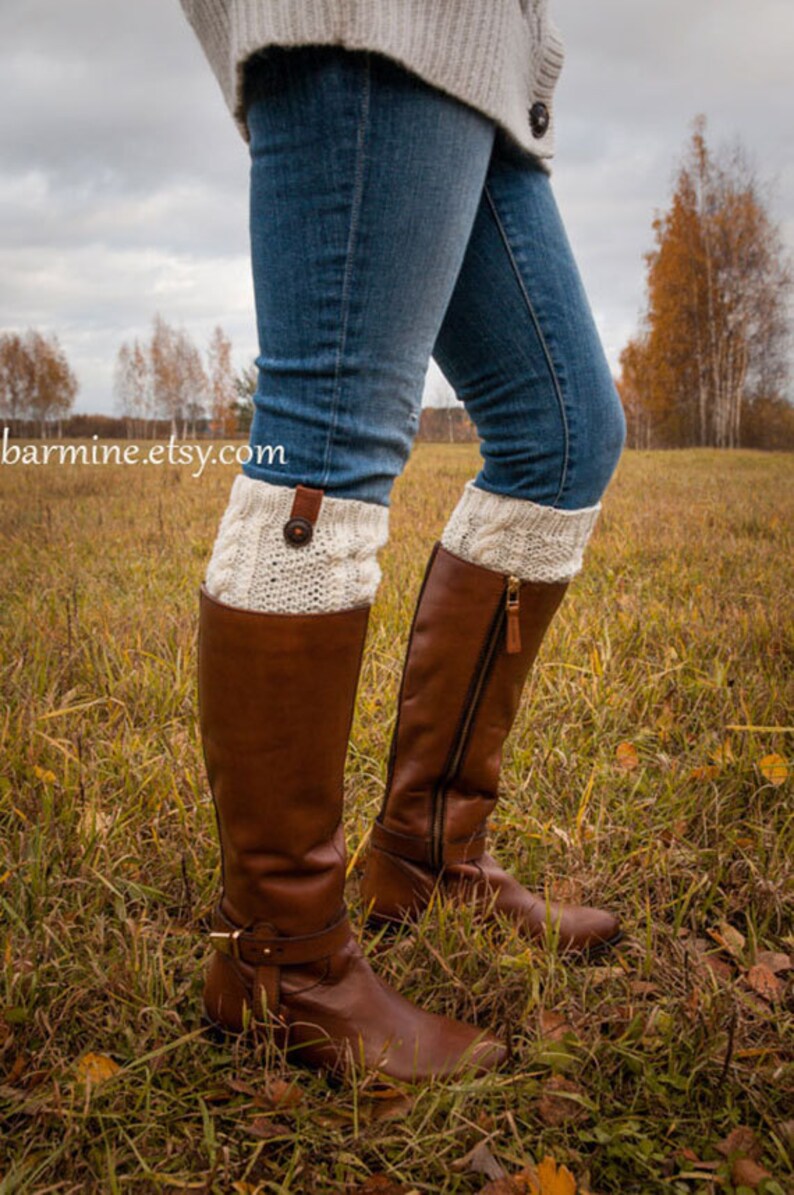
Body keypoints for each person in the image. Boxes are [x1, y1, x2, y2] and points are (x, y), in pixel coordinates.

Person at [179, 0, 627, 1083]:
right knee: (326, 443)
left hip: (479, 62)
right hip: (373, 25)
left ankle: (429, 856)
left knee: (564, 437)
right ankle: (281, 960)